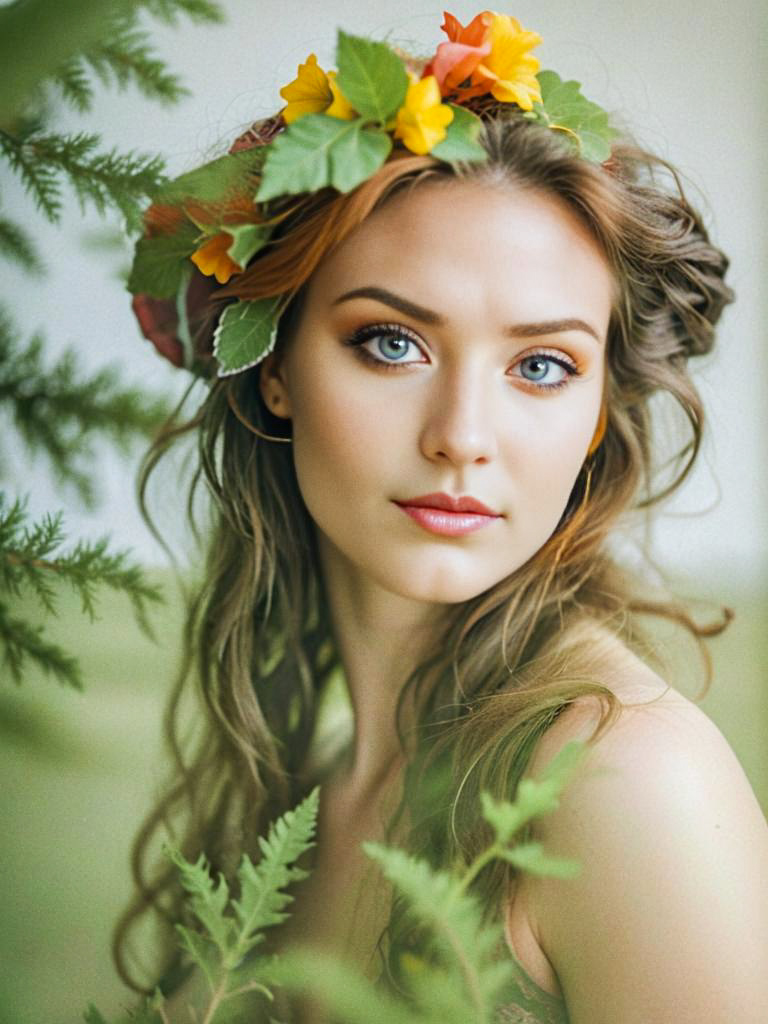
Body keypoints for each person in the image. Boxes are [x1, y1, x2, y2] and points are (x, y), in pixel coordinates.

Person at [117, 10, 768, 1023]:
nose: (462, 435)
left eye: (542, 365)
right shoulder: (307, 780)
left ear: (599, 412)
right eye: (391, 343)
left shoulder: (628, 785)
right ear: (277, 366)